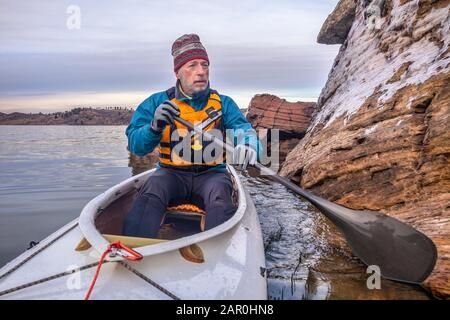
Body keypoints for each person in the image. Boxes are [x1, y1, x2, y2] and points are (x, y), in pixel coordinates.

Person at [122, 34, 260, 238]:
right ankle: (130, 247)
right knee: (151, 191)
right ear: (177, 72)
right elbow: (136, 145)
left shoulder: (224, 103)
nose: (201, 72)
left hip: (212, 175)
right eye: (192, 65)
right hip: (171, 174)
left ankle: (218, 252)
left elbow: (243, 129)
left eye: (205, 65)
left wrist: (248, 146)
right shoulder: (156, 102)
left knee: (220, 198)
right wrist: (154, 128)